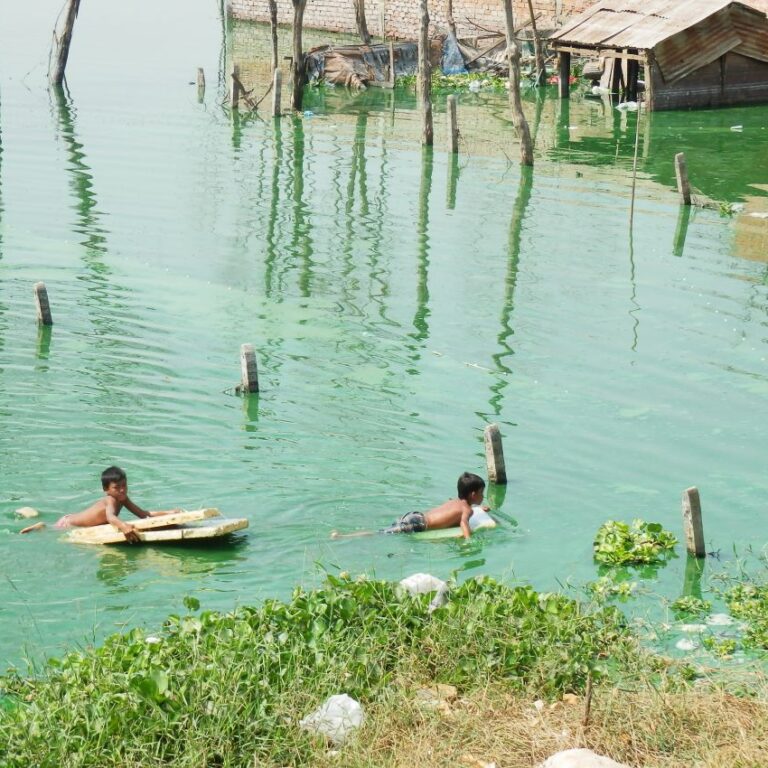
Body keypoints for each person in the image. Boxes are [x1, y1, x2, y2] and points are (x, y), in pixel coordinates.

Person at [54, 466, 180, 543]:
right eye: (116, 487)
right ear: (106, 489)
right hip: (67, 523)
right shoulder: (110, 500)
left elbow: (143, 514)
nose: (122, 490)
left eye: (124, 485)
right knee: (51, 531)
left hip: (72, 520)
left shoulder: (123, 498)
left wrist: (169, 513)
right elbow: (111, 517)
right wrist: (123, 526)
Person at [382, 472, 486, 539]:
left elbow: (455, 511)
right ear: (473, 495)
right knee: (382, 534)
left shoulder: (453, 501)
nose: (483, 496)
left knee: (385, 531)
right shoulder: (467, 510)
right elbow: (464, 522)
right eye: (481, 492)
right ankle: (370, 535)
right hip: (419, 524)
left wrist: (477, 508)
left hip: (415, 516)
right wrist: (468, 540)